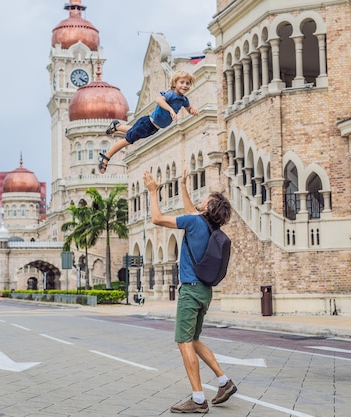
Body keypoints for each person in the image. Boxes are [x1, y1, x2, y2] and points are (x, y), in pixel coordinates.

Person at [143, 169, 237, 414]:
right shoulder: (205, 226)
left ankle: (198, 400)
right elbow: (191, 213)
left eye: (205, 199)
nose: (202, 199)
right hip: (204, 292)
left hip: (190, 292)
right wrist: (183, 186)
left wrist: (153, 192)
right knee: (193, 340)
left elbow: (157, 218)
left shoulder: (195, 222)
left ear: (207, 208)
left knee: (184, 342)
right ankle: (224, 382)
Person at [98, 71, 199, 173]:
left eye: (188, 83)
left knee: (134, 132)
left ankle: (117, 126)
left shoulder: (184, 100)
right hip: (147, 123)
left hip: (154, 128)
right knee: (128, 140)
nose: (185, 85)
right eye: (182, 82)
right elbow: (159, 100)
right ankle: (106, 157)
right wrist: (171, 110)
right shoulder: (171, 95)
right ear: (174, 84)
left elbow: (188, 108)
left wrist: (192, 110)